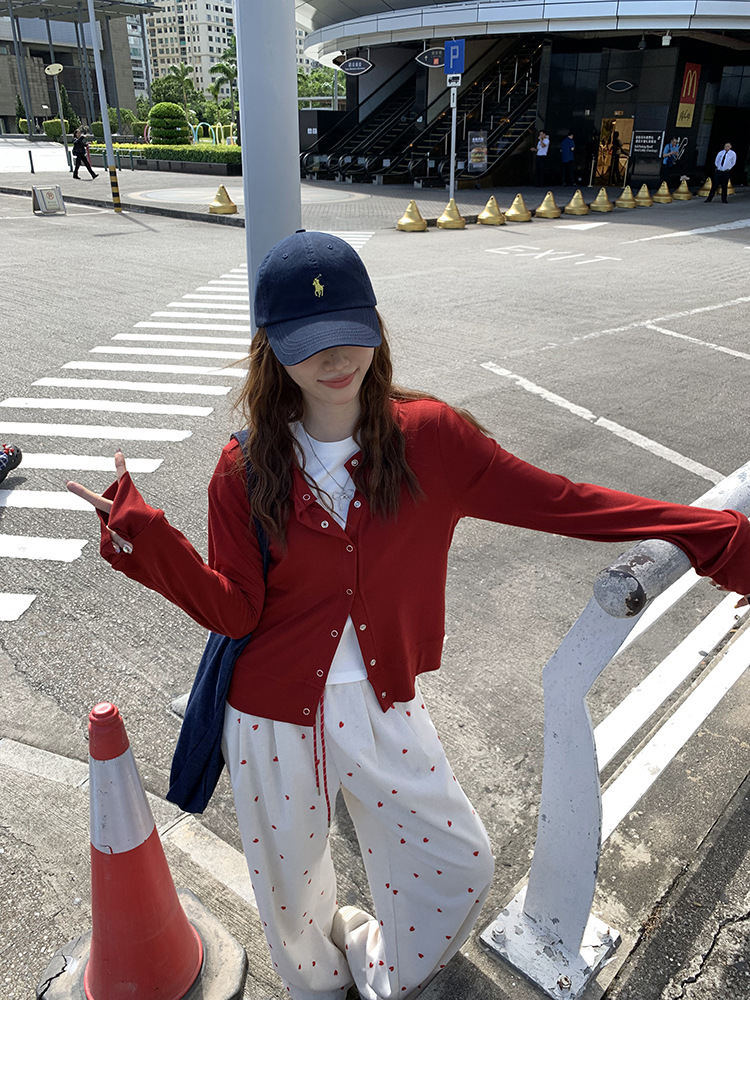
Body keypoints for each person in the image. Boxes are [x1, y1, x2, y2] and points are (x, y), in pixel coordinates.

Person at [67, 230, 750, 1001]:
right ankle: (322, 996)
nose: (336, 358)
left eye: (350, 332)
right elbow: (233, 608)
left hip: (381, 698)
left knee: (459, 863)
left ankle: (378, 970)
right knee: (291, 895)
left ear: (376, 325)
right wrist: (149, 541)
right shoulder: (245, 467)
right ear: (271, 349)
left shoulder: (431, 439)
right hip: (269, 714)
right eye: (309, 343)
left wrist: (714, 537)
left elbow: (564, 502)